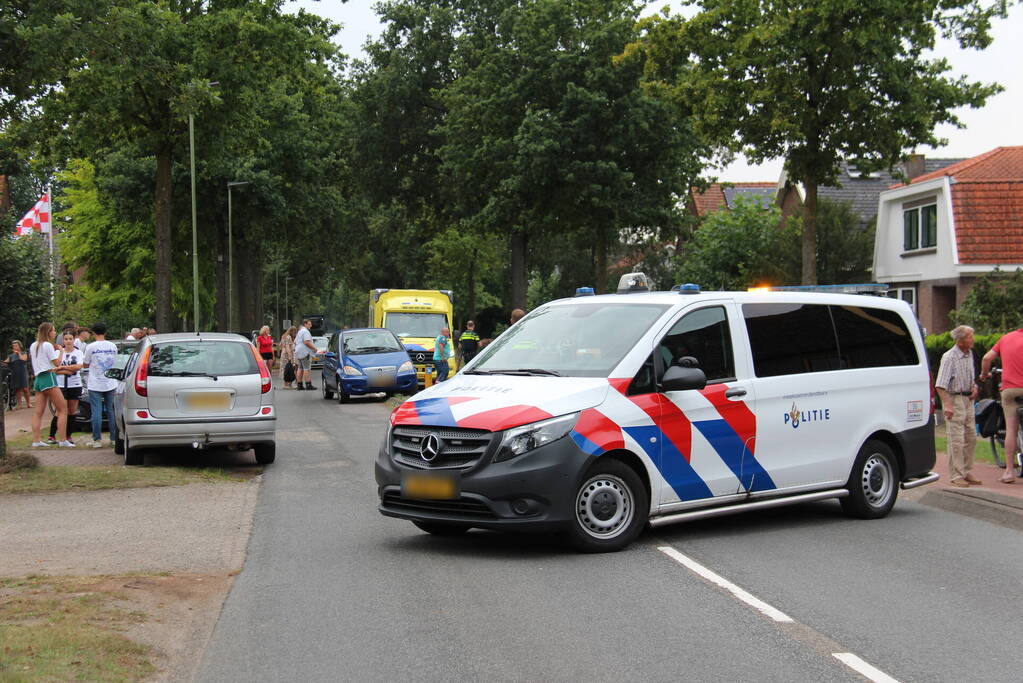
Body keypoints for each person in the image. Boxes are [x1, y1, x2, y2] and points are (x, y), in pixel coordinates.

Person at [934, 325, 980, 487]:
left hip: (968, 400)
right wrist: (947, 405)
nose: (972, 340)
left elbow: (970, 377)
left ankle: (967, 470)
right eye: (969, 337)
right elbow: (940, 385)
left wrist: (974, 387)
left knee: (971, 436)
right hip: (954, 399)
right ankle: (956, 475)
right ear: (960, 340)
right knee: (956, 439)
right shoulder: (949, 357)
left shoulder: (969, 355)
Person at [981, 325, 1023, 483]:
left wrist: (985, 374)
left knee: (1011, 430)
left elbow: (986, 358)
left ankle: (1009, 472)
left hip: (1010, 391)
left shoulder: (1006, 338)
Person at [29, 322, 72, 448]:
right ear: (48, 332)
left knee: (38, 412)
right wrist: (61, 351)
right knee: (63, 408)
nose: (54, 333)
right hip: (48, 377)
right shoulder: (48, 345)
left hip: (38, 379)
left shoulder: (34, 345)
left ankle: (36, 440)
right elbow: (57, 363)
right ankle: (63, 439)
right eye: (53, 330)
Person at [83, 322, 120, 449]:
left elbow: (85, 364)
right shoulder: (113, 346)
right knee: (112, 411)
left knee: (96, 412)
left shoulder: (90, 347)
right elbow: (115, 362)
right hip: (110, 382)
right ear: (105, 332)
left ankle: (97, 440)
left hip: (95, 383)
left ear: (93, 333)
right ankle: (114, 439)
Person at [49, 331, 83, 444]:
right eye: (66, 339)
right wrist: (66, 369)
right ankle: (52, 436)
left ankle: (68, 436)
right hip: (61, 385)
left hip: (75, 384)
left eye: (70, 339)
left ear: (74, 340)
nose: (68, 341)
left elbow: (78, 367)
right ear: (63, 340)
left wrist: (62, 368)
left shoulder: (78, 352)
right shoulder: (58, 352)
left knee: (72, 411)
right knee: (60, 410)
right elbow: (54, 370)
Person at [2, 340, 31, 409]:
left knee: (25, 389)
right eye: (13, 346)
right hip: (14, 373)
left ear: (20, 346)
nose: (14, 347)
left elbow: (24, 359)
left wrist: (18, 353)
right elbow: (5, 362)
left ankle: (28, 403)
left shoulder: (24, 353)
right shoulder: (11, 356)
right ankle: (19, 404)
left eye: (16, 346)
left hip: (22, 372)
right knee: (17, 389)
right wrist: (3, 362)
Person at [293, 319, 317, 390]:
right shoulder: (306, 332)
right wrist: (314, 348)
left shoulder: (300, 331)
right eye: (309, 324)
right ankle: (308, 384)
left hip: (298, 351)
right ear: (305, 324)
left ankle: (299, 385)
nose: (311, 325)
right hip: (304, 352)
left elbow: (295, 342)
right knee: (307, 368)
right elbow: (306, 342)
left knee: (300, 368)